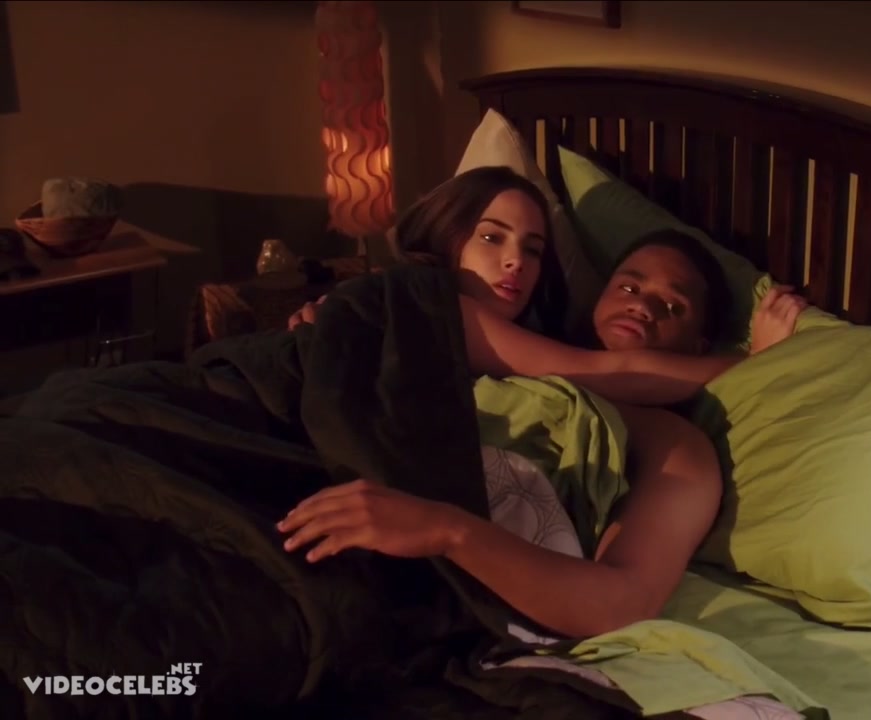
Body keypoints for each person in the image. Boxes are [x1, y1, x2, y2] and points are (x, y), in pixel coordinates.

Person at [277, 168, 807, 639]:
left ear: (699, 347)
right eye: (627, 287)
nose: (642, 306)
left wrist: (448, 530)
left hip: (375, 574)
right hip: (297, 473)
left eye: (672, 305)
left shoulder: (676, 448)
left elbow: (623, 599)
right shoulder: (494, 344)